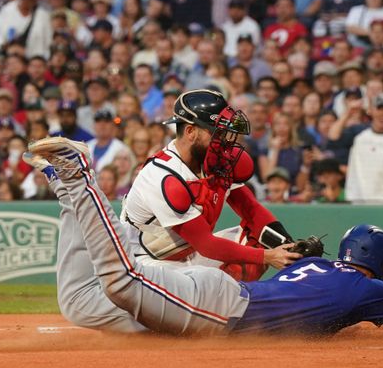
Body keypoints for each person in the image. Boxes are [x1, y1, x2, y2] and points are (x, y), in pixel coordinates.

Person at [26, 140, 383, 338]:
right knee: (120, 280)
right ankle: (78, 176)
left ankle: (69, 193)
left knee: (80, 300)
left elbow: (327, 316)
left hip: (215, 297)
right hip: (218, 306)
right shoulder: (368, 289)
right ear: (378, 265)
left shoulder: (320, 274)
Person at [120, 89, 300, 282]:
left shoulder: (214, 158)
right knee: (210, 282)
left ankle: (234, 306)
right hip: (146, 263)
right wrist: (269, 257)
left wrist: (288, 246)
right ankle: (223, 306)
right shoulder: (164, 177)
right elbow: (206, 244)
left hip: (188, 253)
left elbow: (250, 208)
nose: (224, 140)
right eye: (218, 132)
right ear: (190, 131)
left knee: (262, 240)